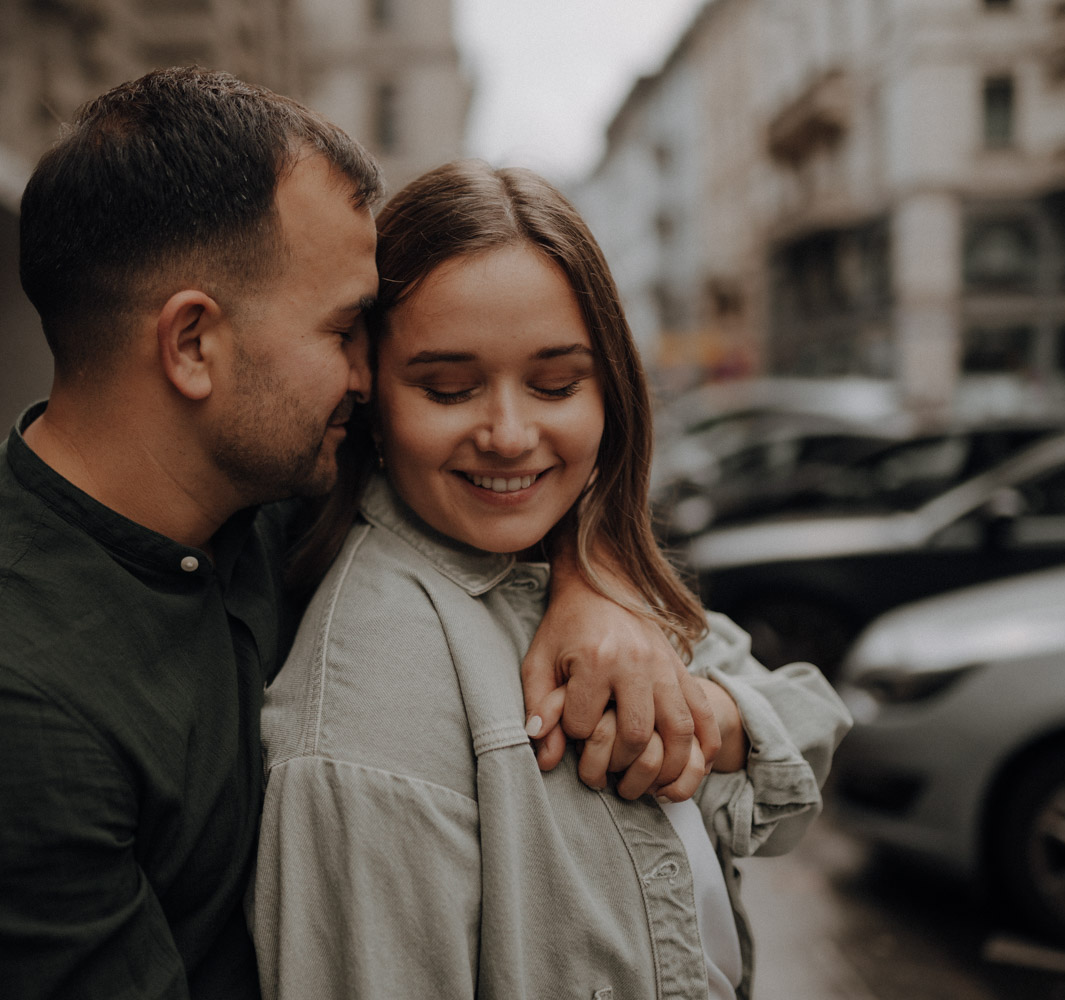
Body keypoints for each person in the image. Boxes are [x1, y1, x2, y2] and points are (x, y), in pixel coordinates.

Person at [0, 69, 718, 1000]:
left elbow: (516, 476)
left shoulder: (265, 487)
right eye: (343, 329)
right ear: (193, 345)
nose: (367, 379)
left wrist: (591, 577)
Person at [253, 161, 854, 999]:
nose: (508, 433)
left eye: (556, 384)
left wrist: (705, 713)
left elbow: (810, 734)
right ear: (375, 398)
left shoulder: (588, 573)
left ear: (612, 393)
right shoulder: (373, 706)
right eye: (449, 388)